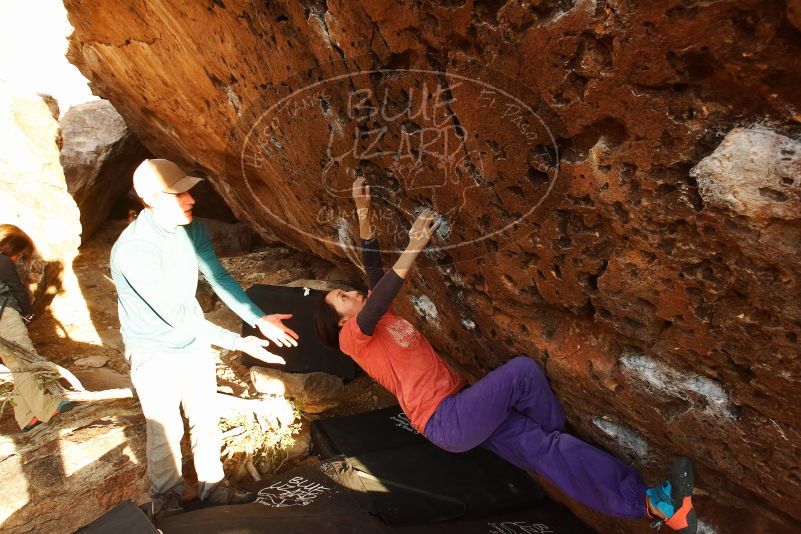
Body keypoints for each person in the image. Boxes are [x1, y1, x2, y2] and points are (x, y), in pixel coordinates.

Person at [315, 178, 697, 534]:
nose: (350, 293)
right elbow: (382, 290)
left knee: (550, 450)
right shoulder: (353, 339)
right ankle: (555, 442)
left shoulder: (382, 319)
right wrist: (415, 243)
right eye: (341, 298)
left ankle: (656, 506)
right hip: (445, 419)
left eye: (344, 291)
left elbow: (372, 271)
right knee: (522, 374)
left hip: (461, 410)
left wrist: (363, 211)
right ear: (340, 323)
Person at [110, 159, 299, 519]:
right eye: (178, 193)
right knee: (165, 424)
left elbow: (218, 277)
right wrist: (239, 341)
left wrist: (258, 318)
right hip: (154, 350)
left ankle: (215, 489)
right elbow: (176, 318)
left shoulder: (190, 230)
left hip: (192, 343)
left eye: (188, 190)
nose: (190, 198)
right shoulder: (135, 249)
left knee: (205, 415)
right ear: (150, 198)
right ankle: (165, 501)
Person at [0, 224, 77, 431]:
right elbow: (17, 289)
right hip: (6, 314)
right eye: (20, 256)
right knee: (26, 360)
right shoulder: (3, 260)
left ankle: (26, 417)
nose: (19, 260)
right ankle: (47, 407)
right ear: (12, 248)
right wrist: (28, 312)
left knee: (16, 364)